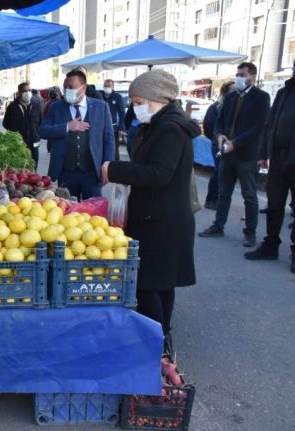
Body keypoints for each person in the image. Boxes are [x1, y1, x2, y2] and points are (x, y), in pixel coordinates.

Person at [100, 70, 199, 354]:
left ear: (158, 99)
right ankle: (161, 340)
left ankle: (153, 342)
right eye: (133, 101)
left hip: (162, 221)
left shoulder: (169, 128)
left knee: (146, 283)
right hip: (157, 215)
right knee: (162, 282)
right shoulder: (156, 124)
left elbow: (159, 174)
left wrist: (113, 169)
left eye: (139, 101)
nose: (135, 107)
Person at [199, 62, 271, 247]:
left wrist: (235, 143)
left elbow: (259, 127)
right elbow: (220, 121)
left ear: (252, 76)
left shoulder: (261, 98)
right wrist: (220, 135)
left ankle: (250, 232)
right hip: (227, 154)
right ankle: (218, 225)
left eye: (243, 74)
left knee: (249, 195)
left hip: (247, 154)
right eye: (237, 74)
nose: (239, 78)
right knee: (224, 193)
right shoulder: (231, 98)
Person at [245, 66, 295, 273]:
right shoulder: (285, 91)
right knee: (274, 205)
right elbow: (271, 123)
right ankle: (270, 245)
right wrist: (263, 152)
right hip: (278, 156)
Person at [39, 69, 115, 200]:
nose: (66, 90)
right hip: (65, 172)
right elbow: (43, 131)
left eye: (71, 87)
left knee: (92, 213)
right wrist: (66, 127)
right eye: (65, 87)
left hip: (92, 173)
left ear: (83, 88)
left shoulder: (101, 107)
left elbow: (108, 139)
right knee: (67, 213)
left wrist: (107, 164)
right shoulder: (56, 107)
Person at [202, 81, 236, 210]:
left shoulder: (235, 107)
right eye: (232, 90)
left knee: (224, 174)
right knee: (218, 172)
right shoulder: (216, 107)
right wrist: (217, 140)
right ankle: (211, 200)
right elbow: (208, 126)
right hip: (219, 145)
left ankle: (220, 199)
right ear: (225, 93)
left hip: (232, 145)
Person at [3, 82, 42, 164]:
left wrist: (36, 133)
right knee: (20, 169)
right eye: (25, 91)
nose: (28, 93)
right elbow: (5, 124)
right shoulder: (12, 107)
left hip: (33, 143)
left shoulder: (36, 106)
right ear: (19, 93)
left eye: (29, 90)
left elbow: (40, 122)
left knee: (33, 167)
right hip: (18, 144)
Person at [100, 79, 126, 161]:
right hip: (100, 127)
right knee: (101, 147)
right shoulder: (100, 96)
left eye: (109, 86)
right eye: (105, 86)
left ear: (113, 87)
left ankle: (115, 167)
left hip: (113, 128)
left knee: (114, 149)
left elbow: (122, 113)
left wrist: (121, 128)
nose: (107, 87)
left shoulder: (117, 97)